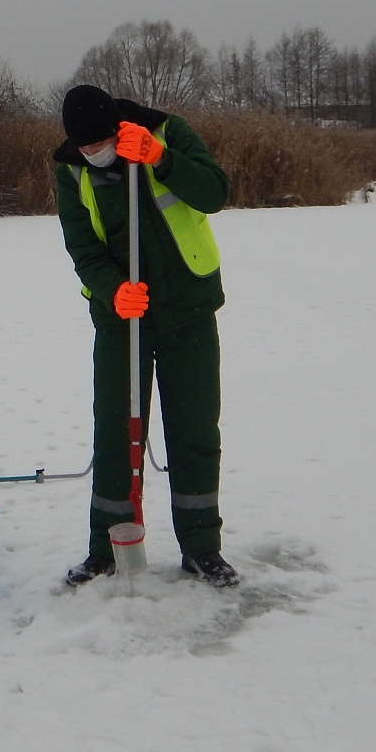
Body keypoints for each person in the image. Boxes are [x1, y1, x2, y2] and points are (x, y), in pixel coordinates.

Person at [52, 83, 237, 589]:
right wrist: (113, 289)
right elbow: (83, 247)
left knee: (195, 430)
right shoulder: (71, 169)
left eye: (101, 144)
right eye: (85, 148)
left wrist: (161, 158)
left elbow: (215, 193)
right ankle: (108, 550)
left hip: (188, 307)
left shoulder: (167, 133)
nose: (94, 154)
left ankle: (201, 548)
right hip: (121, 319)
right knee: (116, 431)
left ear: (118, 129)